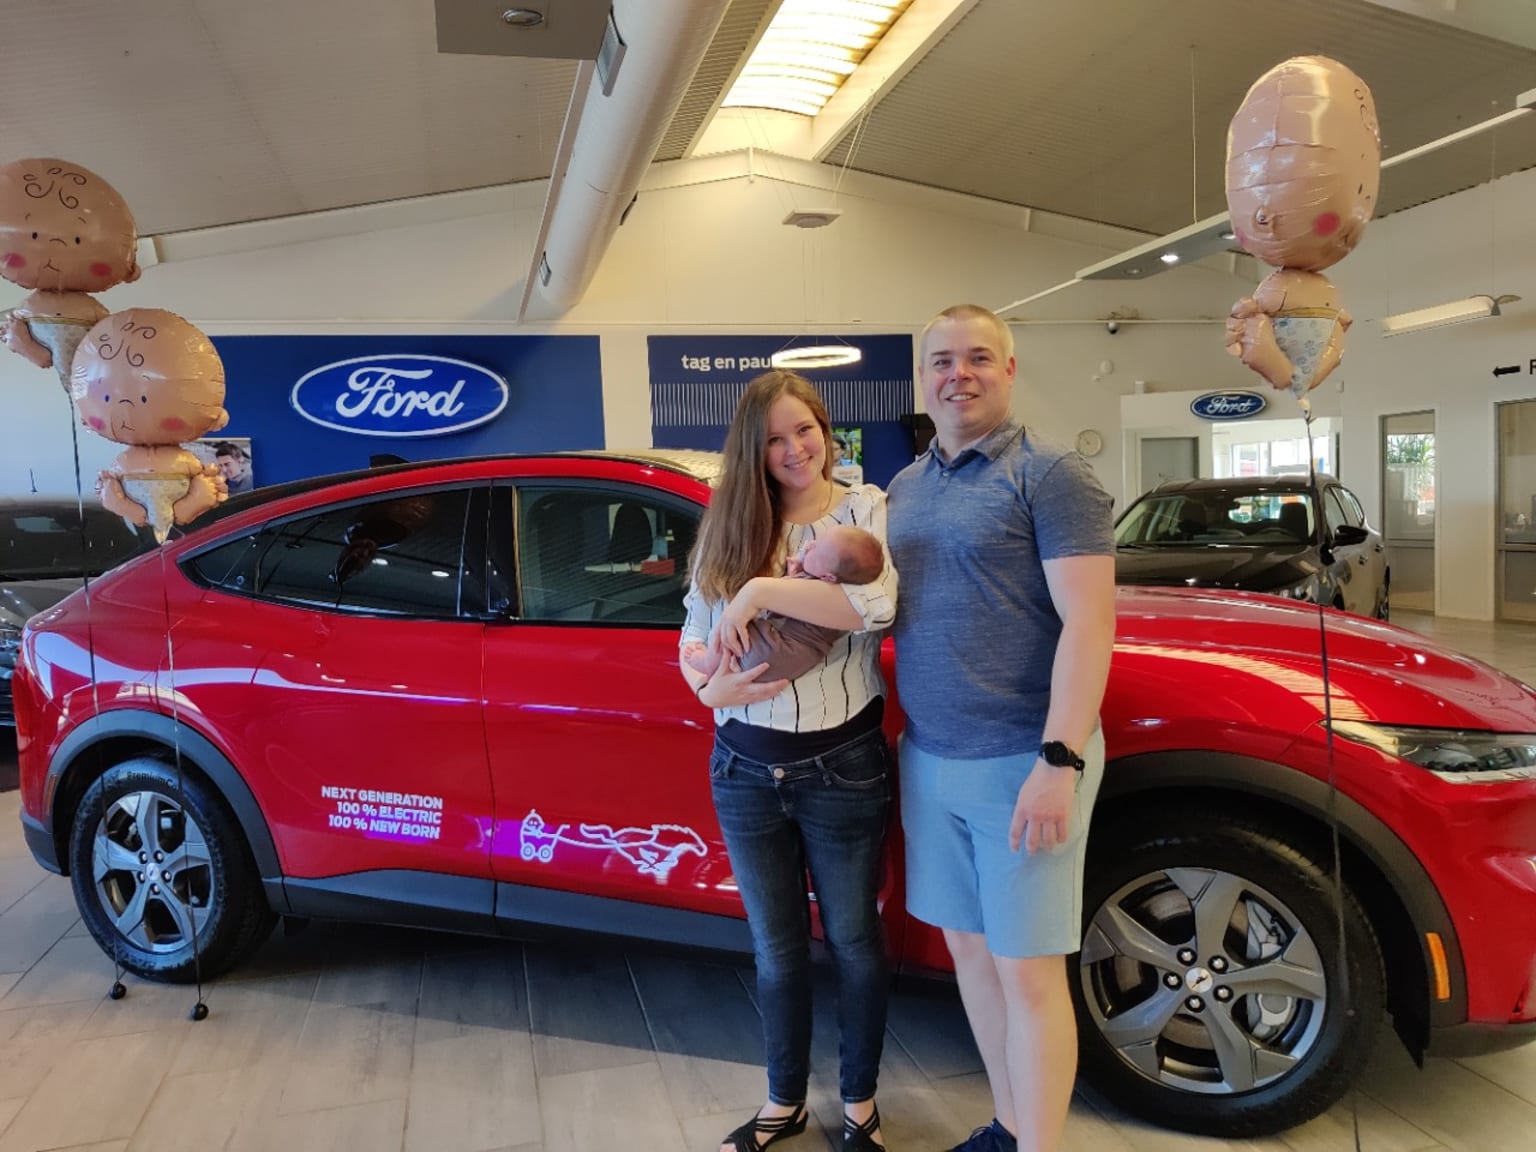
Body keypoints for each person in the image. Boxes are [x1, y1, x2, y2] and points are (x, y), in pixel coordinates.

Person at [886, 305, 1116, 1152]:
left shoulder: (1051, 475)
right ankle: (1009, 1126)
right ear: (924, 378)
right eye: (942, 360)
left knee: (1028, 973)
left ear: (1010, 370)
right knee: (972, 960)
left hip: (1024, 762)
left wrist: (1059, 760)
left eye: (979, 357)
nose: (959, 374)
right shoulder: (908, 488)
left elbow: (1091, 624)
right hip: (930, 760)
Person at [679, 369, 898, 1152]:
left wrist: (755, 597)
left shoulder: (863, 508)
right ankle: (784, 1102)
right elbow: (691, 635)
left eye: (802, 429)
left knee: (853, 941)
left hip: (843, 767)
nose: (794, 449)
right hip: (742, 767)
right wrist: (709, 686)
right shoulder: (730, 522)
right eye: (774, 438)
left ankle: (861, 1104)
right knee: (775, 951)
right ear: (754, 449)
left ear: (826, 426)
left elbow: (871, 605)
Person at [682, 523, 884, 682]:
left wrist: (787, 580)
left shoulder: (817, 588)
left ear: (828, 577)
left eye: (816, 549)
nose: (810, 544)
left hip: (775, 653)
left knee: (735, 628)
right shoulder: (831, 584)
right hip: (793, 657)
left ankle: (709, 662)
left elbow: (776, 599)